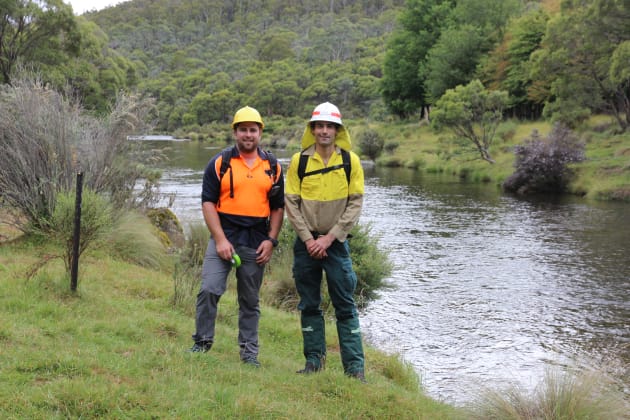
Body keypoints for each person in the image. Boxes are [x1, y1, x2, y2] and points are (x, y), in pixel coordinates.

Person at [189, 106, 284, 368]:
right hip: (224, 236)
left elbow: (278, 208)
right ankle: (202, 343)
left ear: (260, 132)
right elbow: (208, 203)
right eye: (243, 129)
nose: (248, 135)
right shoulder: (220, 163)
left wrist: (271, 240)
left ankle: (249, 353)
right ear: (235, 132)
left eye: (253, 130)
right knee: (209, 289)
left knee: (250, 300)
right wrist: (219, 239)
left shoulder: (273, 166)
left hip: (256, 240)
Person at [284, 102, 367, 382]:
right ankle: (313, 362)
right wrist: (309, 239)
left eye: (329, 126)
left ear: (337, 130)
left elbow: (355, 204)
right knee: (309, 304)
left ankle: (354, 370)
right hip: (305, 245)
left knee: (345, 305)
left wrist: (330, 238)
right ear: (313, 129)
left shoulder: (350, 161)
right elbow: (291, 203)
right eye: (319, 126)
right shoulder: (300, 161)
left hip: (337, 244)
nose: (324, 131)